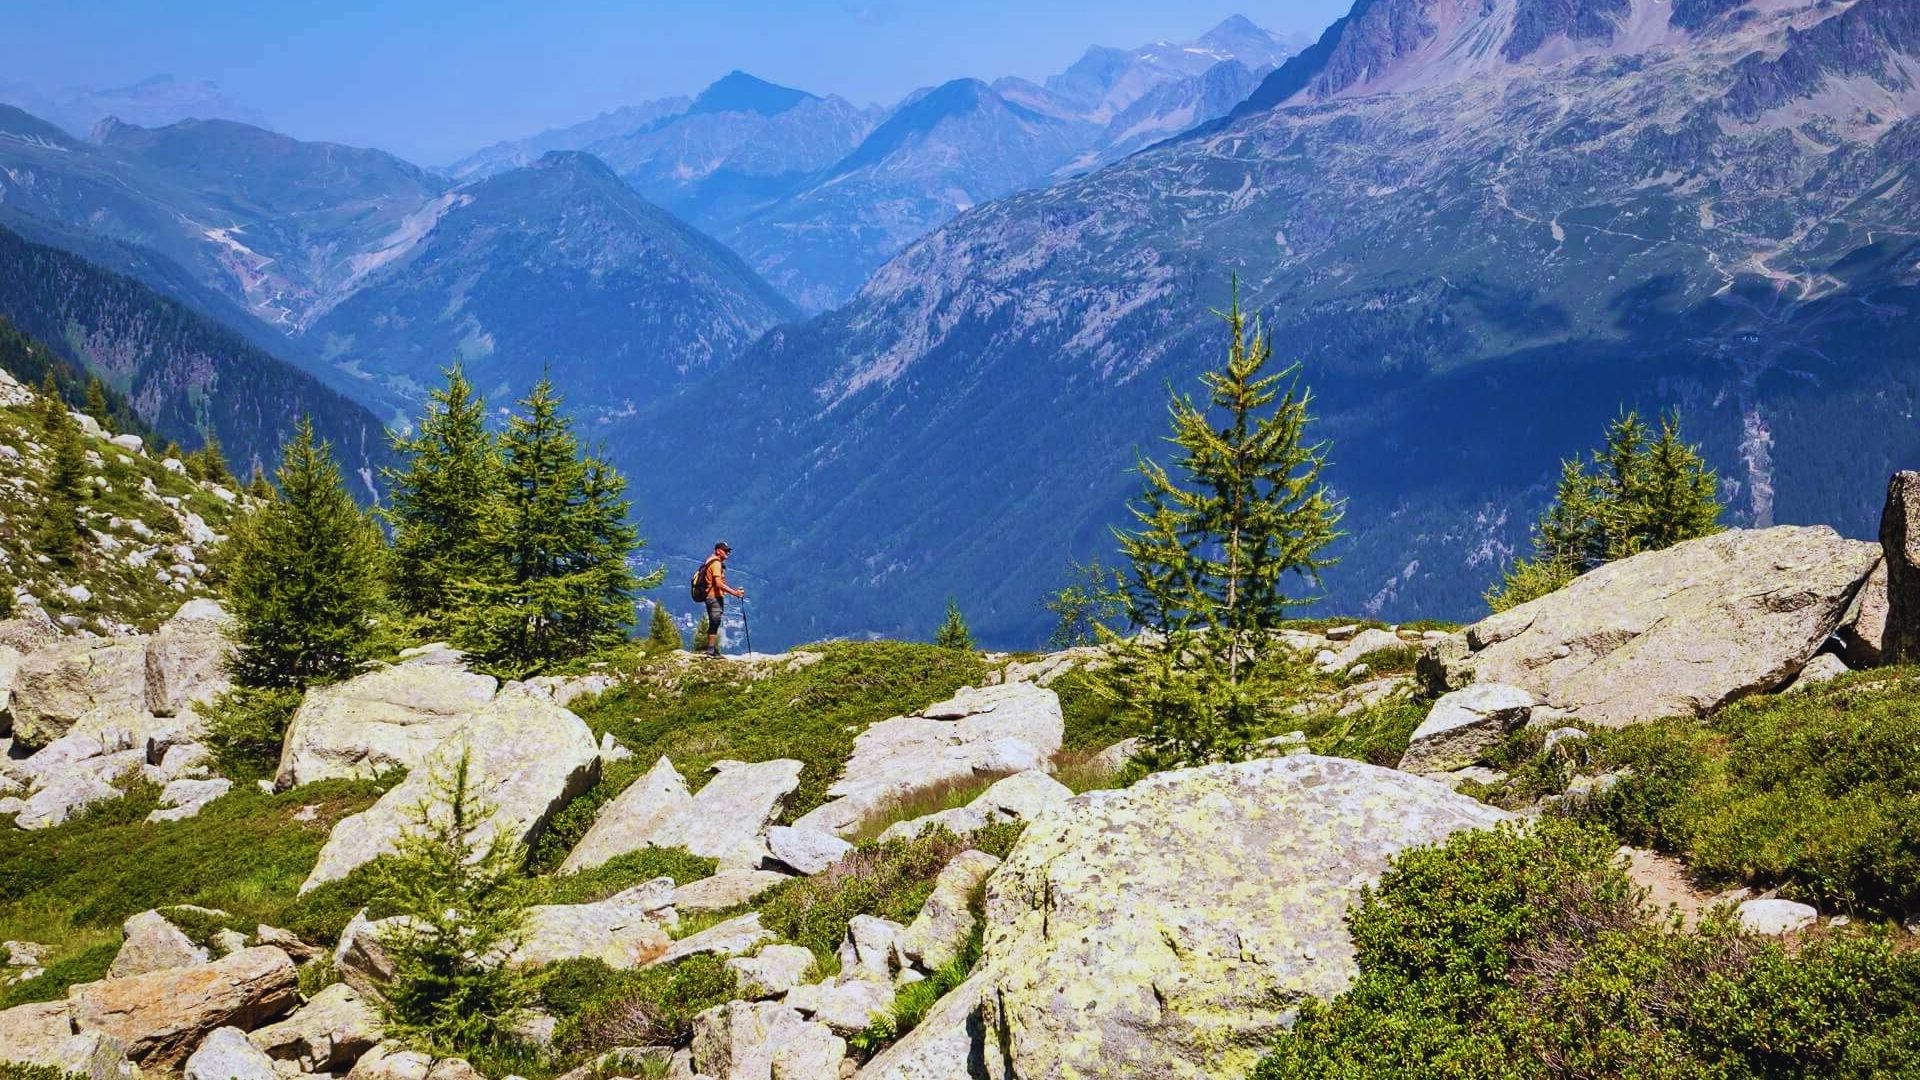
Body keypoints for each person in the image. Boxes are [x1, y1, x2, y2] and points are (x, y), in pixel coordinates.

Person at [699, 541, 745, 657]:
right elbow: (718, 583)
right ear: (718, 550)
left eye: (728, 551)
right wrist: (735, 593)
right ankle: (710, 650)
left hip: (710, 596)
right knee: (715, 621)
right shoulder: (716, 564)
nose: (727, 553)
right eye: (725, 551)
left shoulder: (710, 560)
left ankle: (711, 649)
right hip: (714, 596)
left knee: (715, 621)